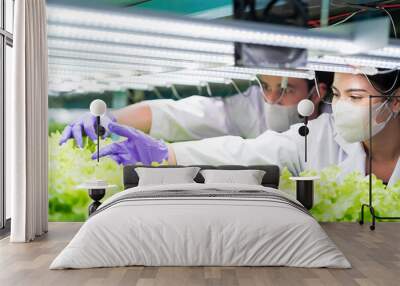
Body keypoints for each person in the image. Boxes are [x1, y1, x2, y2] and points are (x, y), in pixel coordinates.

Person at [93, 71, 400, 187]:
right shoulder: (321, 135)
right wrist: (167, 153)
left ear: (395, 101)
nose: (342, 107)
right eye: (337, 95)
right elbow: (250, 150)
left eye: (355, 97)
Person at [59, 72, 333, 147]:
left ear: (317, 93)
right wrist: (110, 118)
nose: (271, 99)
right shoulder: (249, 105)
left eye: (285, 89)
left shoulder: (337, 121)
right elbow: (179, 114)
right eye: (265, 85)